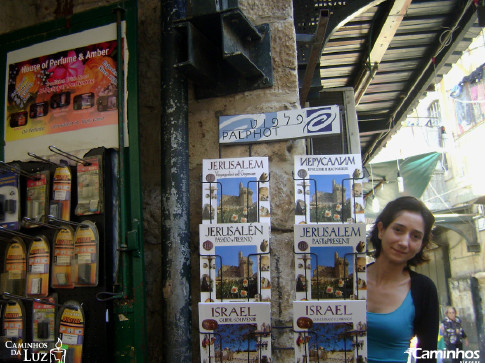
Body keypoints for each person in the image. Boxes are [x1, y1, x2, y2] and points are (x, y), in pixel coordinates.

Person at [367, 196, 439, 363]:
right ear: (381, 229)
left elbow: (428, 356)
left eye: (415, 236)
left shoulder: (424, 289)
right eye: (398, 230)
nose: (404, 242)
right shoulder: (349, 279)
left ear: (421, 244)